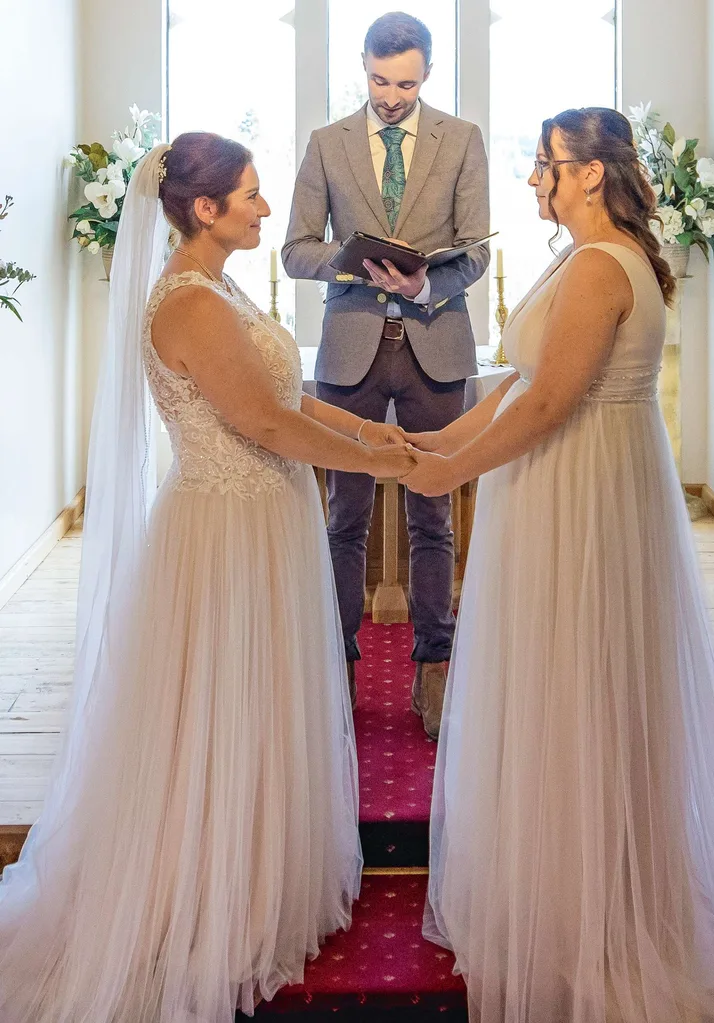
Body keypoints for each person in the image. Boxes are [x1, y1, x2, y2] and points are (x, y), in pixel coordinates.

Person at [0, 133, 413, 1023]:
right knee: (220, 705)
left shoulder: (220, 286)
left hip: (260, 520)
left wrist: (371, 434)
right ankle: (204, 892)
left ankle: (261, 870)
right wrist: (378, 467)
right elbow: (263, 422)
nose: (269, 209)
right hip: (227, 533)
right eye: (253, 195)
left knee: (259, 702)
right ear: (204, 209)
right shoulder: (188, 302)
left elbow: (283, 397)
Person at [402, 108, 714, 1022]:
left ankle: (590, 915)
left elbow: (546, 408)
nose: (536, 178)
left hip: (580, 501)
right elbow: (518, 389)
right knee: (572, 685)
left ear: (592, 174)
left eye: (548, 165)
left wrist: (445, 470)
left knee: (579, 685)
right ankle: (571, 885)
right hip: (573, 491)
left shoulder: (601, 266)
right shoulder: (589, 258)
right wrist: (425, 442)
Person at [282, 12, 490, 737]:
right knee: (345, 516)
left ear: (427, 71)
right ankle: (336, 665)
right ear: (362, 67)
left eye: (404, 82)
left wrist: (423, 286)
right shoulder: (326, 144)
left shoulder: (462, 141)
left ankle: (434, 668)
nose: (391, 95)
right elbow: (293, 250)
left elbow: (475, 253)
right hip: (349, 346)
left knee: (434, 512)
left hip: (437, 340)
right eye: (378, 80)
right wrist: (353, 256)